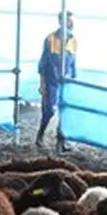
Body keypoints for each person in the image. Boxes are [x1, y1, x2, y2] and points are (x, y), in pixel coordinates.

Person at [36, 11, 77, 148]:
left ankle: (61, 141)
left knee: (65, 112)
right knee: (49, 110)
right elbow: (43, 63)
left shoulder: (73, 40)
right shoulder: (50, 39)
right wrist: (42, 84)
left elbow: (73, 63)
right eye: (68, 20)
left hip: (66, 83)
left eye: (71, 21)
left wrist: (74, 80)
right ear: (61, 21)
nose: (71, 23)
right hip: (51, 81)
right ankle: (40, 135)